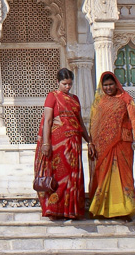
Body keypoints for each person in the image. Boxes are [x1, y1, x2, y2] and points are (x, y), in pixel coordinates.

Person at [36, 67, 91, 219]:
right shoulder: (52, 96)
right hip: (58, 143)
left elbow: (80, 122)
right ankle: (55, 209)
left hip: (74, 143)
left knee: (73, 176)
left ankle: (72, 210)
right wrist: (46, 144)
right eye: (64, 84)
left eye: (69, 84)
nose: (67, 87)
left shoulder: (75, 99)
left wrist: (89, 141)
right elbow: (47, 121)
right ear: (57, 82)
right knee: (60, 176)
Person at [88, 71, 135, 218]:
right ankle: (102, 209)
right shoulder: (99, 102)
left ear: (116, 84)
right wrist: (91, 143)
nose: (108, 88)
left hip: (122, 143)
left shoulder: (126, 99)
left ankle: (125, 209)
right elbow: (94, 124)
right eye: (105, 85)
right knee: (104, 176)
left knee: (123, 176)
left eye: (111, 84)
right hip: (103, 145)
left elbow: (134, 119)